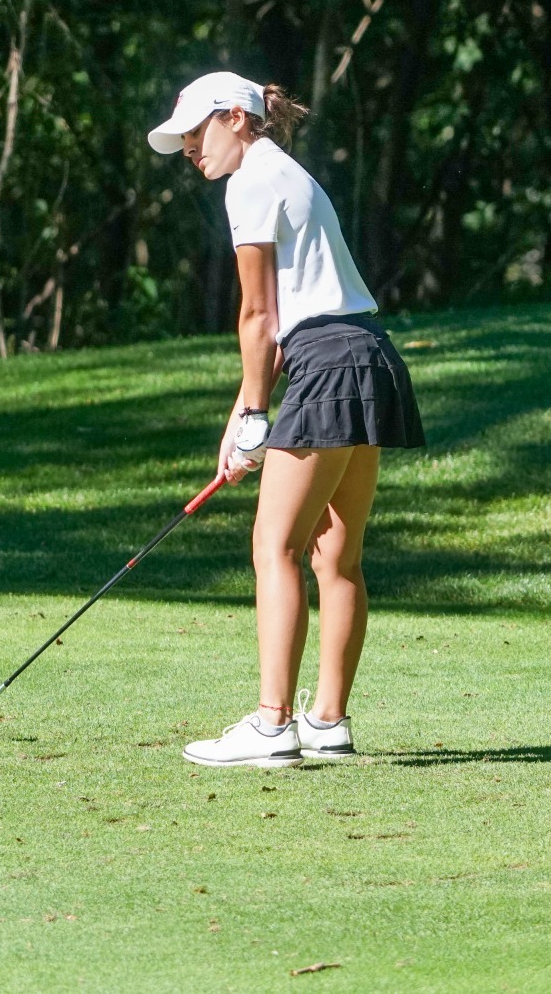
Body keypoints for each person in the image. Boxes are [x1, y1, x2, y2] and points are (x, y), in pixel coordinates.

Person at [147, 71, 425, 768]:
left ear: (238, 118)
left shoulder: (250, 182)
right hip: (368, 354)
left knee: (276, 546)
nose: (188, 147)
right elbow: (286, 322)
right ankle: (327, 720)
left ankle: (273, 726)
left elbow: (259, 315)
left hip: (327, 363)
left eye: (196, 129)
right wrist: (242, 416)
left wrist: (253, 413)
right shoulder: (287, 172)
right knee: (339, 553)